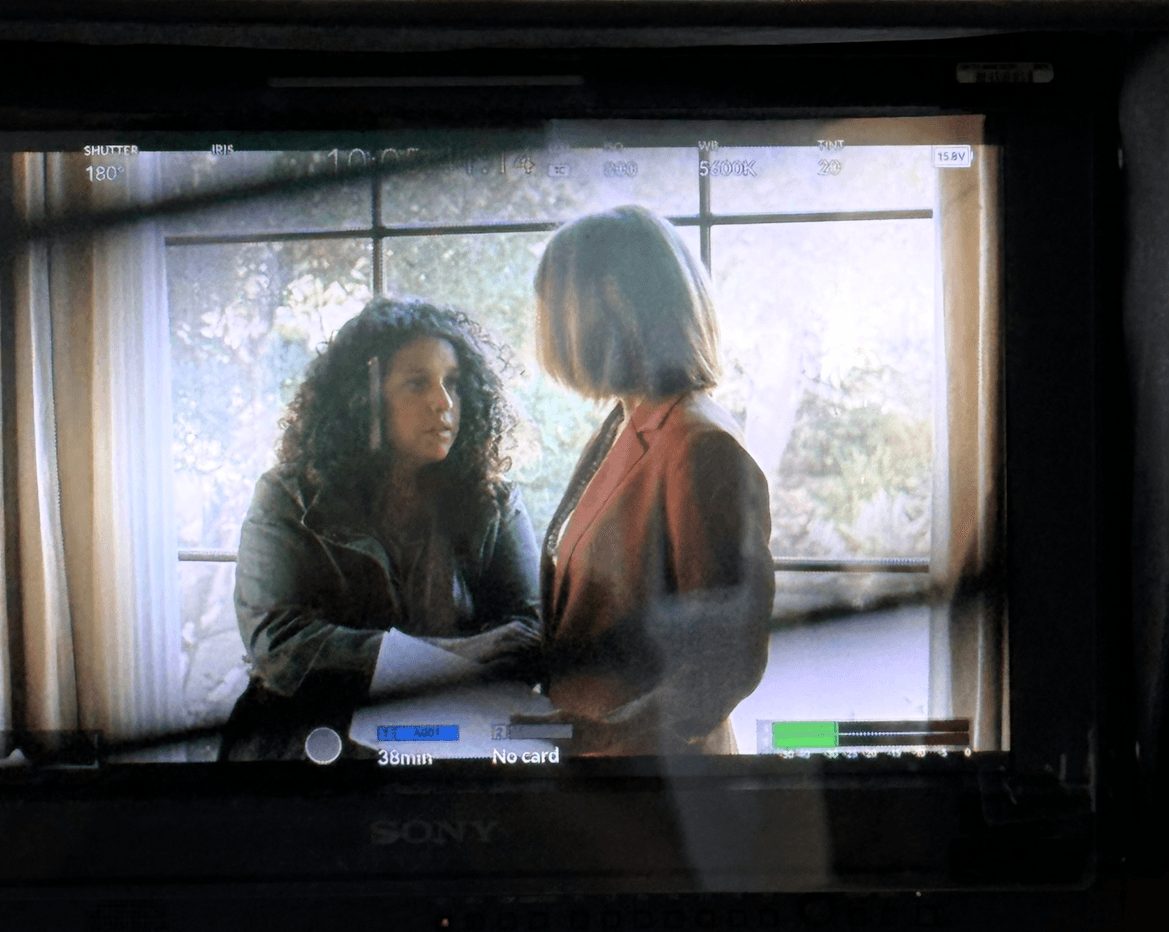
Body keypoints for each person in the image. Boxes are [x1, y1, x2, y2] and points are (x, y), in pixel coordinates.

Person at [221, 297, 542, 761]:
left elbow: (528, 631)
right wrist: (460, 657)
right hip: (306, 748)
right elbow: (280, 644)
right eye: (417, 383)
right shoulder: (288, 496)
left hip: (448, 740)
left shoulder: (492, 499)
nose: (444, 402)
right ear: (363, 398)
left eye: (453, 383)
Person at [528, 205, 775, 756]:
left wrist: (616, 730)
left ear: (602, 313)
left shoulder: (697, 445)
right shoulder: (631, 418)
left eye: (549, 304)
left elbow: (728, 656)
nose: (542, 326)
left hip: (659, 785)